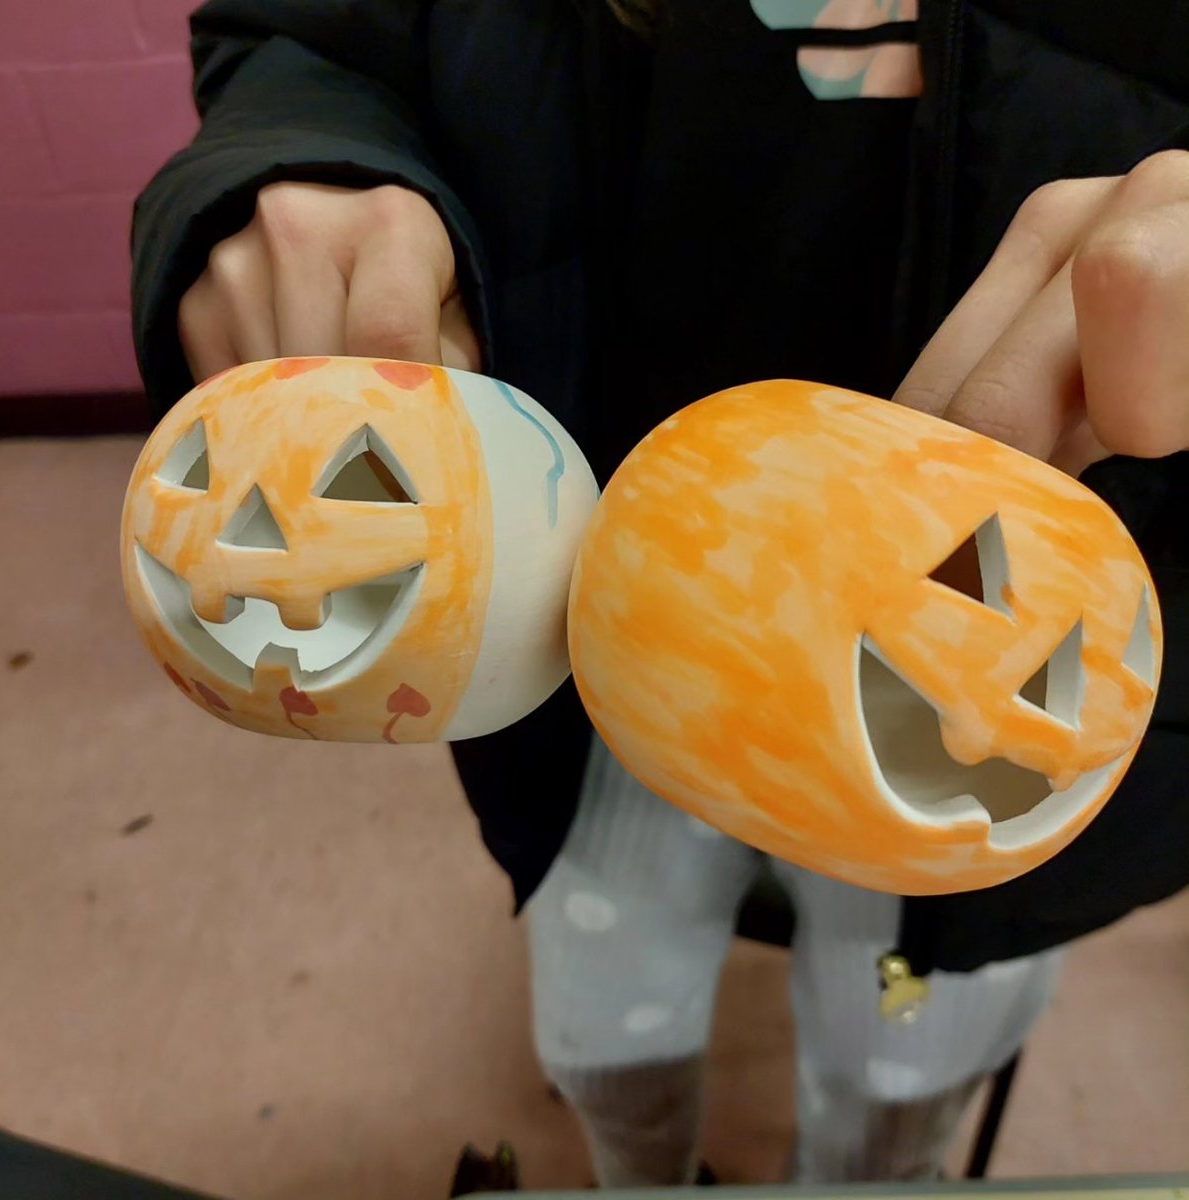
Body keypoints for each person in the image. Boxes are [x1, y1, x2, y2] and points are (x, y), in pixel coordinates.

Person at [131, 0, 1189, 1185]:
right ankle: (642, 1171)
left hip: (983, 720)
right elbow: (307, 34)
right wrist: (304, 142)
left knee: (900, 1039)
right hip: (607, 648)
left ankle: (876, 1175)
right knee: (605, 1008)